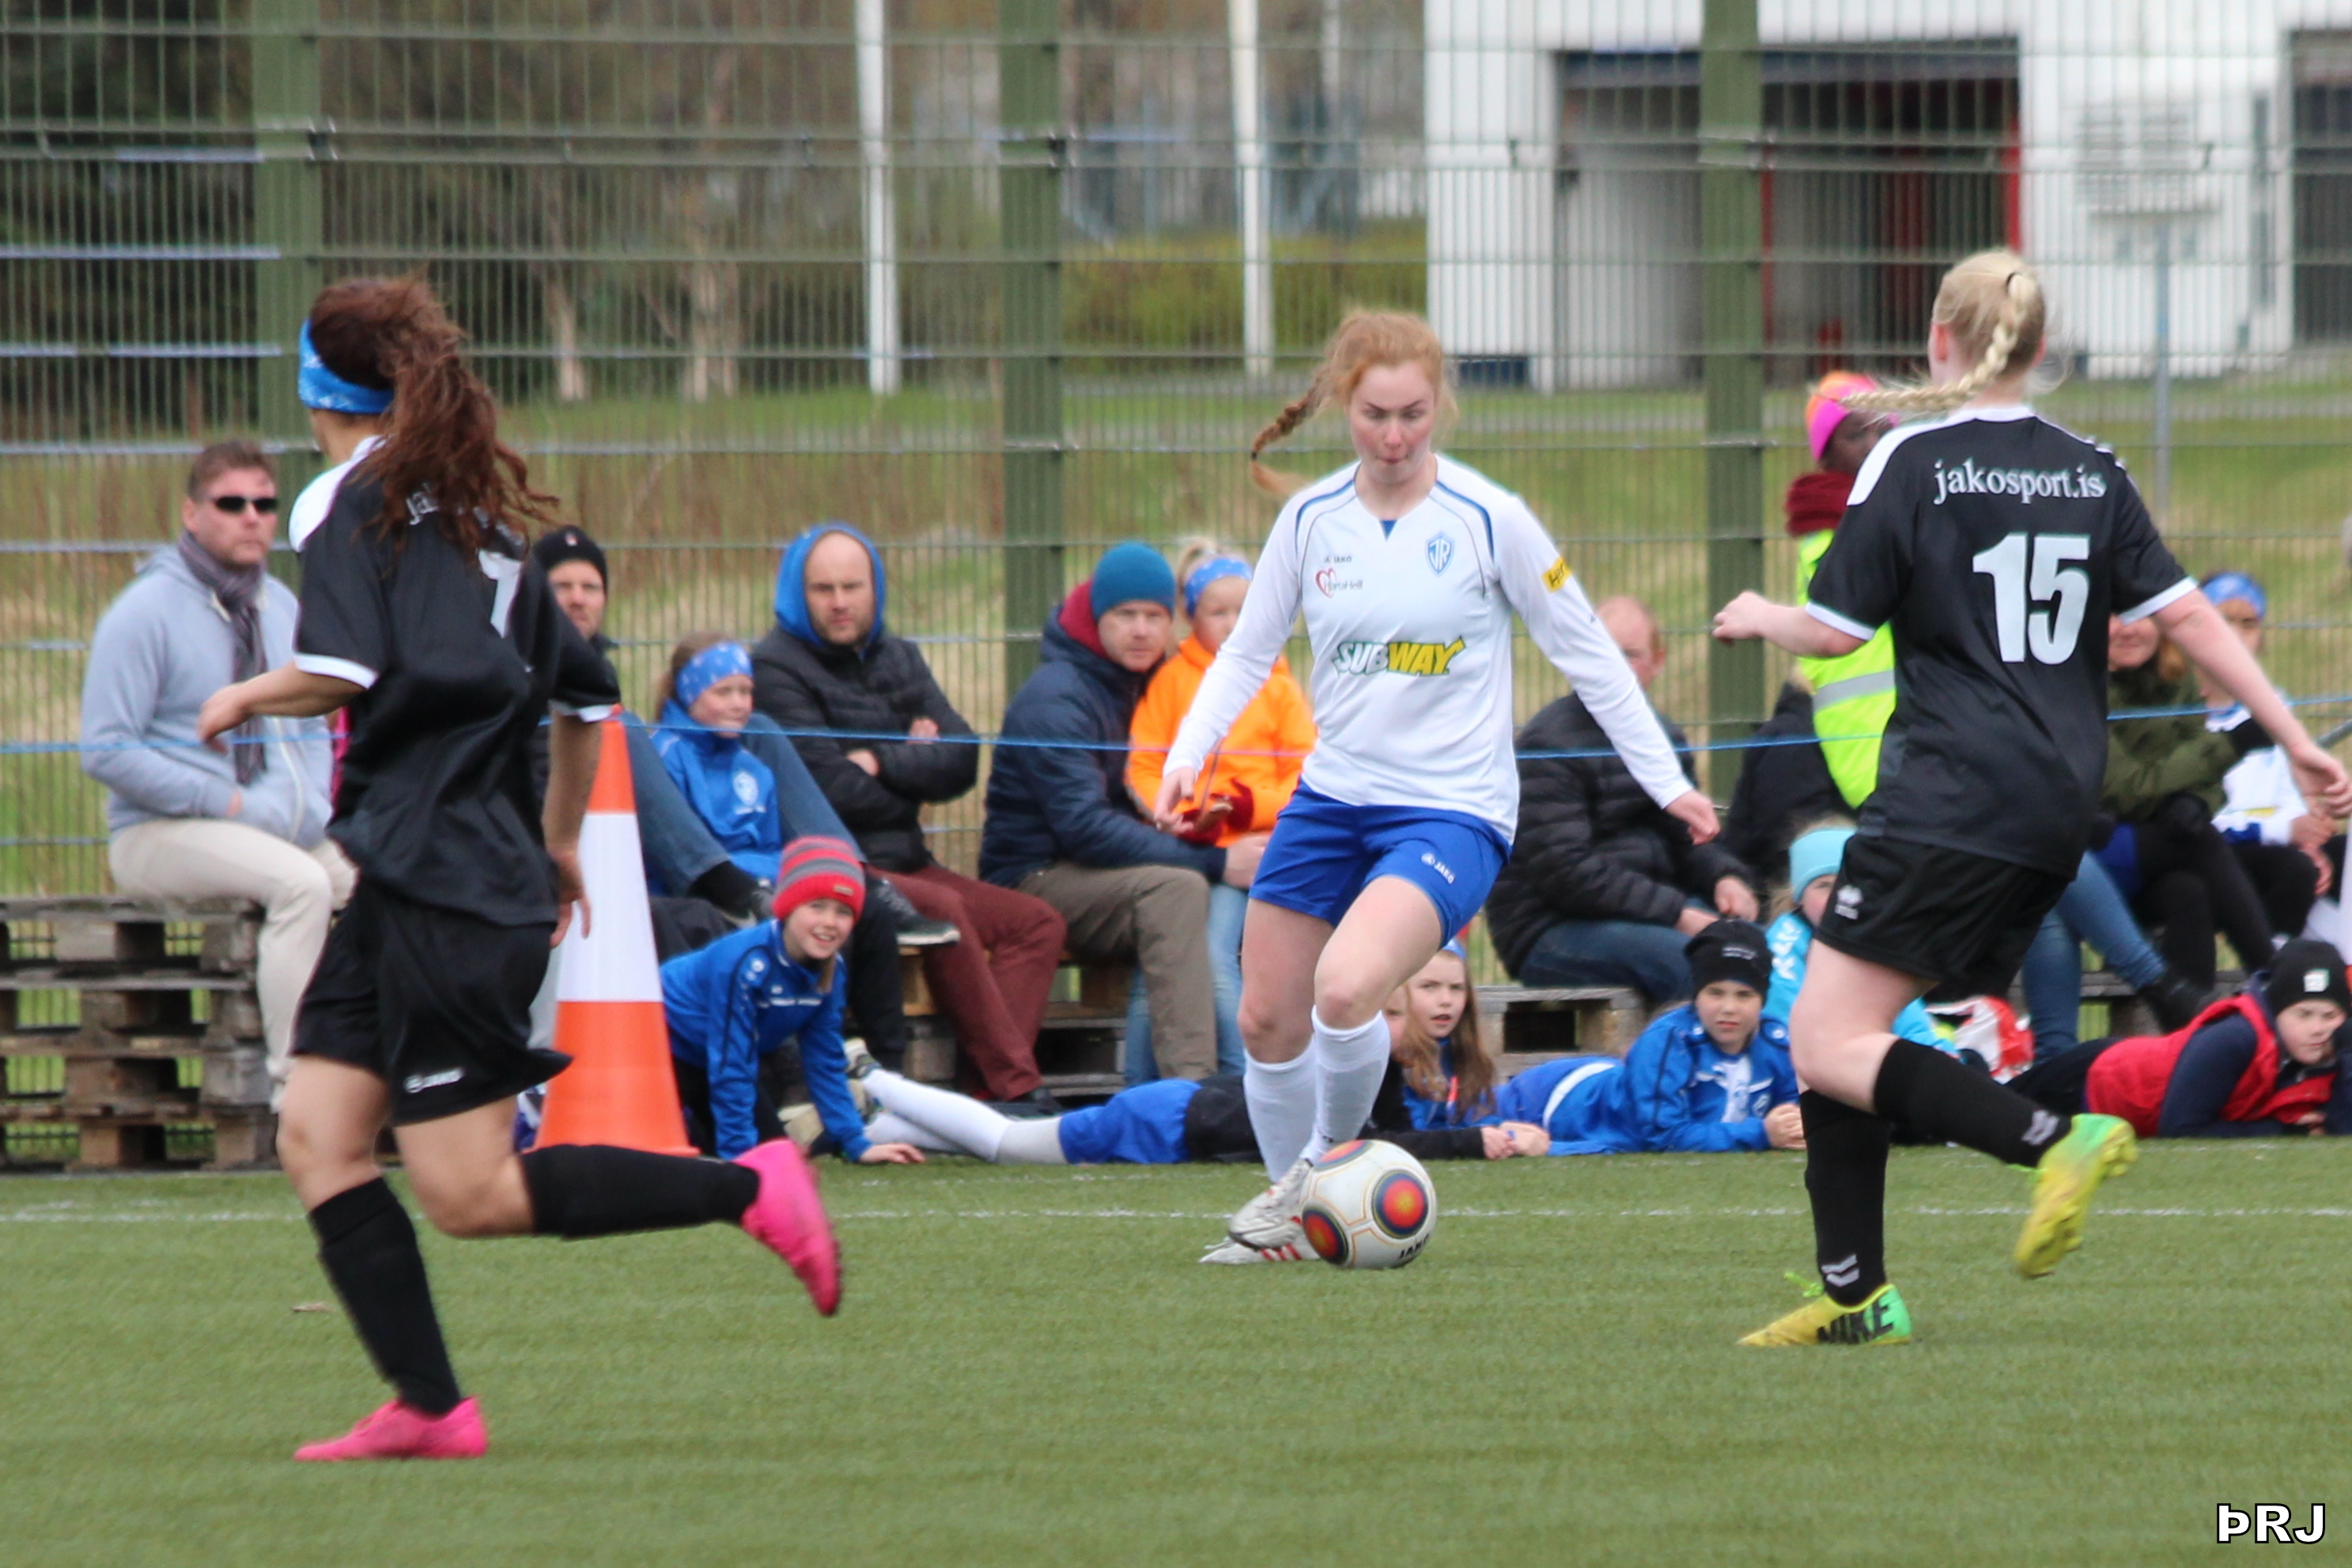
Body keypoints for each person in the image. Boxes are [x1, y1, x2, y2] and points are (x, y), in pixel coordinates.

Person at [195, 275, 839, 1462]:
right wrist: (555, 841)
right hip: (412, 880)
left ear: (314, 391)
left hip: (444, 887)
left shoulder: (348, 500)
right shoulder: (479, 524)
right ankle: (432, 1407)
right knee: (318, 1135)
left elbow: (340, 671)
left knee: (471, 1192)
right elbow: (589, 699)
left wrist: (241, 694)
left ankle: (751, 1187)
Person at [1711, 247, 2352, 1347]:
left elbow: (1834, 631)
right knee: (1844, 1029)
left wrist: (1759, 613)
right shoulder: (2090, 468)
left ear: (1938, 341)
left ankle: (2050, 1138)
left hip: (1950, 793)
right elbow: (2190, 616)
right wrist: (2293, 738)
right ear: (2043, 348)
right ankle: (1855, 1294)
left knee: (1821, 1040)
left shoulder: (1910, 458)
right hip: (2058, 808)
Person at [1150, 309, 1715, 1260]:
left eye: (1412, 414)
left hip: (1452, 813)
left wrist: (1666, 783)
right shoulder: (1310, 521)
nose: (1394, 436)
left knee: (1345, 988)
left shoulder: (1489, 519)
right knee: (1266, 1016)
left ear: (1440, 405)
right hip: (1334, 800)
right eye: (1375, 415)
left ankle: (1313, 1183)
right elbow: (1245, 655)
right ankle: (1293, 1225)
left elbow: (1586, 651)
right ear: (1344, 406)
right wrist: (1186, 755)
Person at [754, 523, 1067, 1107]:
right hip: (845, 864)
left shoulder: (899, 656)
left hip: (909, 858)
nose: (840, 602)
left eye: (853, 586)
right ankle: (1018, 1088)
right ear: (797, 593)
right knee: (944, 908)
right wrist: (913, 764)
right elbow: (829, 790)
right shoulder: (774, 668)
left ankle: (984, 1089)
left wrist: (880, 760)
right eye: (823, 589)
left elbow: (963, 757)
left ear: (876, 588)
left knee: (1036, 923)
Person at [81, 441, 352, 1105]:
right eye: (232, 503)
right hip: (160, 832)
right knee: (302, 887)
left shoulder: (282, 605)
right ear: (192, 512)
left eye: (265, 503)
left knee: (384, 879)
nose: (252, 517)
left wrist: (315, 806)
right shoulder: (144, 611)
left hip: (282, 826)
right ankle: (298, 1093)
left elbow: (314, 721)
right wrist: (221, 799)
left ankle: (383, 1077)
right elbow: (106, 749)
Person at [840, 946, 1545, 1196]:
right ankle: (872, 1075)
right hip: (1162, 1122)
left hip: (1178, 1116)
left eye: (1394, 1016)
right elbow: (1369, 1144)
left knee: (1011, 1139)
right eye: (1384, 1014)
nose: (1388, 1028)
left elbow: (1383, 1136)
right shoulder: (1341, 1061)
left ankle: (877, 1124)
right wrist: (1470, 1142)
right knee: (1006, 1142)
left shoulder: (1378, 1070)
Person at [981, 542, 1262, 1084]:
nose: (1141, 631)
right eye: (1125, 615)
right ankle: (1193, 1089)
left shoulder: (1151, 683)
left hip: (1108, 871)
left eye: (1154, 616)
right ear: (1097, 617)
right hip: (1036, 874)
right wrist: (1217, 860)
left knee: (1182, 893)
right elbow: (1083, 828)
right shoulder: (1057, 698)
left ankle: (1156, 1088)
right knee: (1177, 889)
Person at [1485, 595, 1757, 1005]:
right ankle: (1677, 1050)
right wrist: (1677, 913)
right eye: (1603, 653)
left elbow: (1688, 838)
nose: (1616, 666)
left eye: (1631, 655)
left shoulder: (1663, 737)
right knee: (1697, 965)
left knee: (1752, 949)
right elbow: (1567, 873)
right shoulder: (1550, 743)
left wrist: (1726, 878)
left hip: (1646, 911)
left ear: (1658, 660)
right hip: (1551, 926)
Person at [1125, 538, 1318, 1078]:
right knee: (1158, 965)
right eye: (1219, 612)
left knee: (1212, 957)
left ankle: (1242, 1081)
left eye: (1244, 611)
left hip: (1252, 856)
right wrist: (1170, 813)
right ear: (1192, 617)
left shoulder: (1279, 689)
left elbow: (1305, 777)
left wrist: (1248, 809)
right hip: (1184, 853)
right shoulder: (1170, 683)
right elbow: (1145, 763)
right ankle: (1136, 1090)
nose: (1234, 624)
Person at [659, 837, 925, 1165]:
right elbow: (732, 1064)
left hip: (713, 1058)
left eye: (843, 912)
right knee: (665, 1156)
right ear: (788, 907)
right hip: (662, 1048)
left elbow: (825, 1060)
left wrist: (856, 1143)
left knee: (780, 1158)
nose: (829, 922)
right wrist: (742, 1159)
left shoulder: (832, 971)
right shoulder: (746, 963)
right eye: (816, 906)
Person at [1492, 920, 1803, 1155]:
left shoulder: (1777, 1042)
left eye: (1744, 995)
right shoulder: (1669, 1040)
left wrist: (1798, 1127)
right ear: (1696, 995)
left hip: (1606, 1075)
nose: (1729, 1008)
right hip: (1556, 1099)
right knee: (1472, 1117)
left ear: (1763, 1000)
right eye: (1715, 993)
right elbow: (1664, 1135)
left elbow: (1800, 1114)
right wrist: (1761, 1134)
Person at [2100, 612, 2284, 988]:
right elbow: (2126, 790)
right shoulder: (2081, 689)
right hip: (2088, 853)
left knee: (2188, 891)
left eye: (2141, 616)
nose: (2129, 629)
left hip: (2154, 852)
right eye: (2115, 616)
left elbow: (2203, 773)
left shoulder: (2177, 678)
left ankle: (2193, 1021)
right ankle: (2277, 984)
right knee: (2202, 843)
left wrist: (2195, 801)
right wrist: (2232, 744)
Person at [2011, 939, 2350, 1138]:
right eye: (2304, 1015)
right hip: (2091, 1082)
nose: (2318, 1029)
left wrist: (2348, 1049)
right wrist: (2280, 1130)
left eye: (2330, 1016)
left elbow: (2341, 1127)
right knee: (1995, 1118)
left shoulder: (2330, 1050)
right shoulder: (2235, 1037)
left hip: (2117, 1102)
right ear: (2276, 1012)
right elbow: (2181, 1128)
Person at [2199, 570, 2337, 935]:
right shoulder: (2174, 711)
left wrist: (2310, 835)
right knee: (2294, 870)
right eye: (2223, 620)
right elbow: (2197, 820)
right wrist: (2284, 829)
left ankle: (2330, 964)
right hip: (2210, 851)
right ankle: (2273, 966)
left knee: (2336, 855)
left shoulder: (2274, 708)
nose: (2235, 634)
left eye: (2248, 623)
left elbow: (2289, 794)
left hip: (2276, 842)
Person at [1790, 371, 1898, 809]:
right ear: (1827, 454)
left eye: (1883, 430)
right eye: (1856, 434)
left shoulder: (1877, 514)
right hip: (1869, 739)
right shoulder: (1838, 533)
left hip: (1906, 731)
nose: (1874, 445)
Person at [1765, 824, 1942, 1055]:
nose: (1836, 896)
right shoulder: (1784, 944)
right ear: (1799, 897)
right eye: (1824, 886)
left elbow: (1913, 1026)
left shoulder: (1873, 941)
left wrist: (1946, 1059)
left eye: (1848, 884)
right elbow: (1785, 1028)